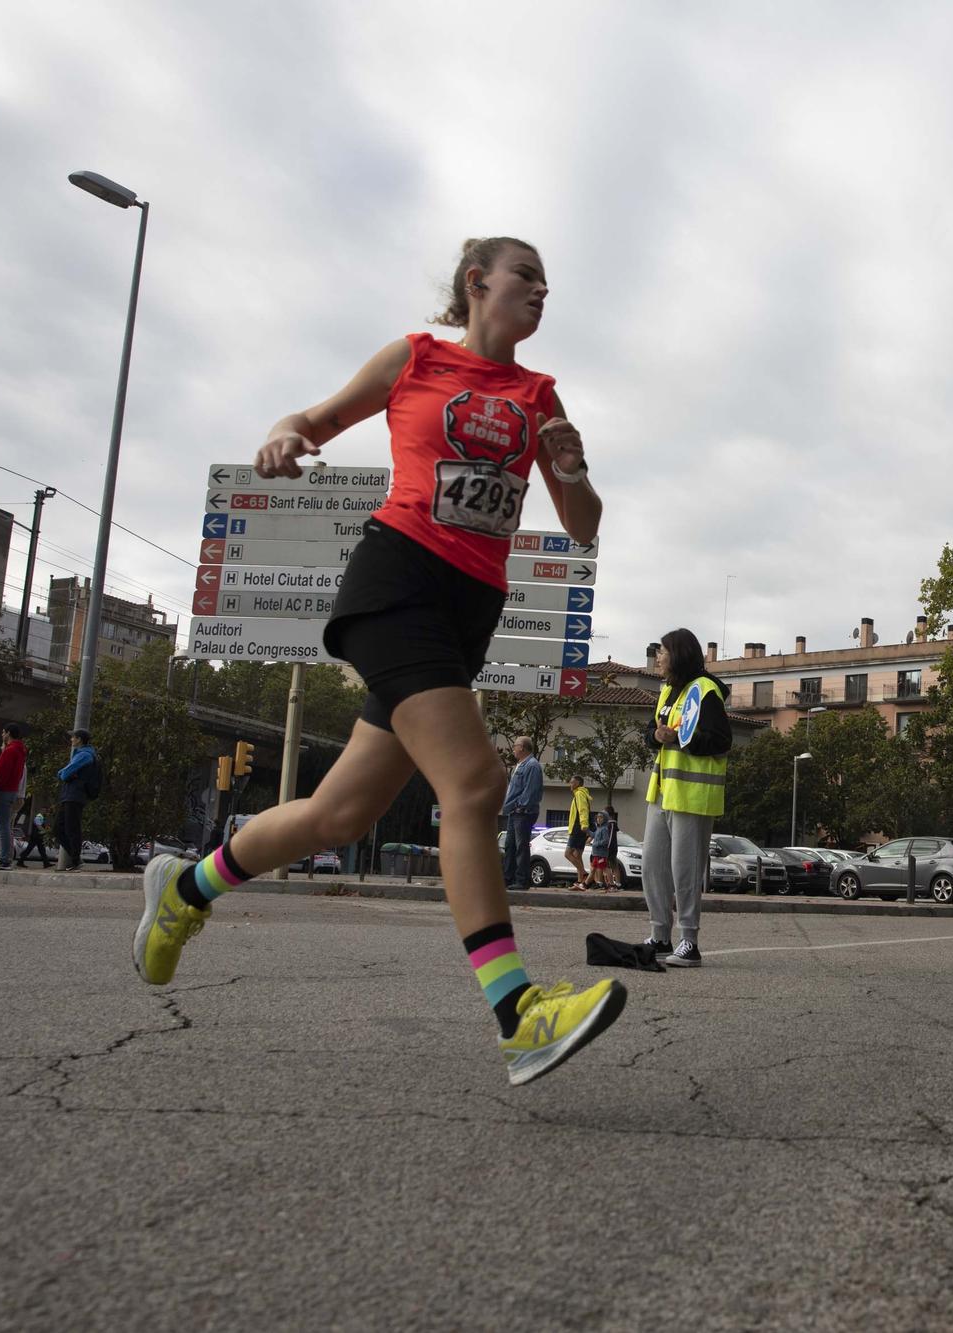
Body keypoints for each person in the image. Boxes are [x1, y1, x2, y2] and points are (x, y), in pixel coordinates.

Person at [134, 235, 625, 1086]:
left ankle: (185, 888)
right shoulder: (417, 357)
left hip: (466, 615)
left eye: (548, 284)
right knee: (471, 785)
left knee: (337, 817)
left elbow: (582, 524)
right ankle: (519, 1016)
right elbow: (313, 420)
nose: (542, 292)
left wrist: (572, 468)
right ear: (478, 284)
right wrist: (283, 437)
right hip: (396, 583)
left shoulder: (539, 396)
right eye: (526, 278)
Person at [641, 629, 732, 968]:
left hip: (693, 796)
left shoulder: (705, 691)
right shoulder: (667, 691)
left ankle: (689, 941)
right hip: (663, 792)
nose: (658, 657)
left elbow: (721, 741)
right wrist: (656, 735)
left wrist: (681, 739)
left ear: (678, 654)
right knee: (652, 865)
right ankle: (660, 936)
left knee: (685, 870)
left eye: (662, 651)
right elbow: (651, 731)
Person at [502, 737, 544, 888]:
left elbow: (531, 791)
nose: (513, 748)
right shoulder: (520, 765)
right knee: (510, 845)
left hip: (523, 812)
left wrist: (520, 806)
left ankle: (521, 880)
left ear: (523, 748)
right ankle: (508, 878)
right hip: (515, 811)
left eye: (515, 745)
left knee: (521, 846)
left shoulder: (532, 766)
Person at [56, 730, 99, 871]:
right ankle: (76, 858)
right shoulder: (80, 755)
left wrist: (67, 774)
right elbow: (62, 773)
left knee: (72, 828)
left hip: (75, 795)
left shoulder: (84, 755)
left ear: (79, 739)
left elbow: (64, 774)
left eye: (73, 737)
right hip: (69, 795)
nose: (71, 739)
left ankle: (76, 861)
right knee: (59, 828)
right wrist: (66, 773)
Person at [0, 723, 27, 870]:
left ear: (8, 733)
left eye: (3, 732)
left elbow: (1, 773)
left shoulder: (10, 751)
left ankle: (3, 858)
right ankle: (3, 857)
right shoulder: (20, 751)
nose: (2, 735)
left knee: (2, 826)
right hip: (11, 791)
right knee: (4, 826)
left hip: (2, 791)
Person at [564, 776, 593, 888]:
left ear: (578, 783)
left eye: (572, 782)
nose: (570, 784)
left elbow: (583, 810)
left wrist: (584, 824)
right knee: (577, 855)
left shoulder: (579, 794)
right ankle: (580, 882)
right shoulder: (580, 794)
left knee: (567, 854)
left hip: (578, 828)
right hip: (580, 828)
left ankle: (584, 873)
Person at [590, 804, 619, 891]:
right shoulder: (599, 828)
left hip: (602, 852)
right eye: (598, 818)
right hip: (597, 853)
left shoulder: (605, 828)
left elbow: (606, 840)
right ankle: (598, 883)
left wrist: (597, 844)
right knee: (595, 868)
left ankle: (612, 885)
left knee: (605, 868)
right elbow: (593, 835)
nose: (598, 819)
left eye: (601, 817)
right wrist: (587, 830)